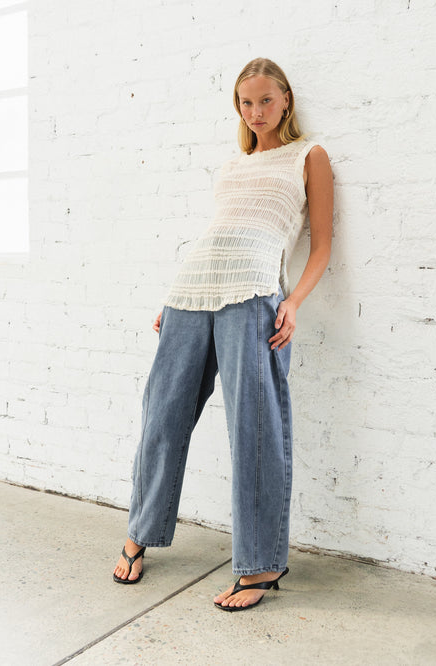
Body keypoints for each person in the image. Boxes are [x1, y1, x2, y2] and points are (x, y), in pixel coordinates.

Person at [113, 57, 334, 611]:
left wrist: (293, 303)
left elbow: (322, 244)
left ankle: (261, 565)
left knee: (255, 428)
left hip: (255, 296)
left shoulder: (308, 156)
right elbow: (218, 234)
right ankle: (140, 532)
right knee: (162, 416)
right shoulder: (233, 166)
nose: (255, 112)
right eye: (246, 103)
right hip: (191, 292)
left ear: (285, 99)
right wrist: (175, 298)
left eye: (266, 100)